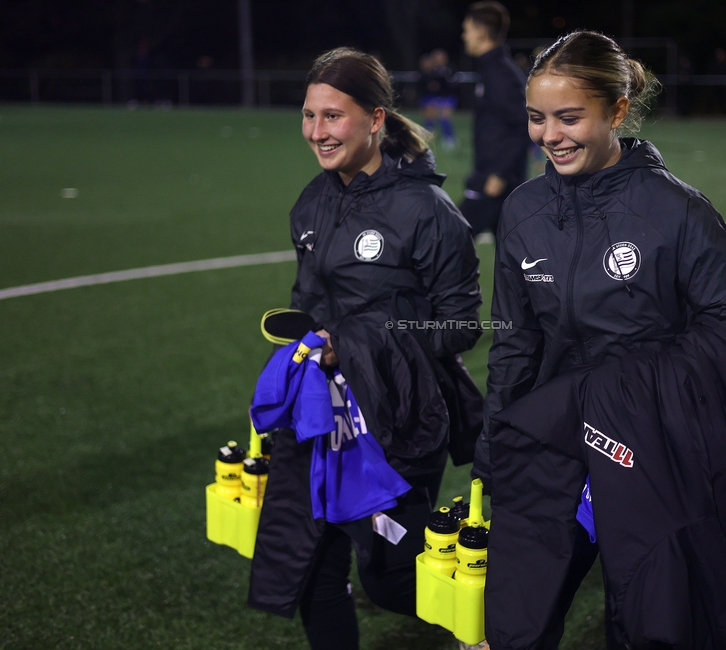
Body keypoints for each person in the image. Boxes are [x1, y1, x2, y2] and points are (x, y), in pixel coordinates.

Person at [474, 31, 726, 649]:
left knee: (652, 620)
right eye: (537, 119)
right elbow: (515, 340)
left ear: (615, 112)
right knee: (513, 620)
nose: (549, 135)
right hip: (553, 438)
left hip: (651, 447)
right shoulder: (523, 211)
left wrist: (628, 394)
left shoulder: (676, 211)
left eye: (569, 117)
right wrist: (495, 443)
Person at [246, 47, 483, 650]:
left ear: (376, 120)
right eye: (309, 116)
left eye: (333, 116)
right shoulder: (310, 204)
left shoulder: (428, 212)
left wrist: (358, 341)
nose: (317, 132)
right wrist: (303, 345)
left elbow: (460, 327)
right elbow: (311, 305)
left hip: (402, 415)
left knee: (390, 580)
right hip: (320, 418)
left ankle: (498, 616)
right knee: (310, 571)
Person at [460, 1, 529, 241]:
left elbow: (522, 125)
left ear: (480, 33)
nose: (464, 36)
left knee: (451, 240)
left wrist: (500, 173)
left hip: (495, 182)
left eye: (466, 30)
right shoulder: (491, 69)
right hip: (492, 178)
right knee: (515, 257)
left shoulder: (500, 74)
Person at [419, 48, 459, 148]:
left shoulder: (449, 70)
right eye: (436, 59)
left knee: (444, 114)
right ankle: (428, 136)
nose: (438, 61)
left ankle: (449, 137)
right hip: (432, 98)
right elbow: (424, 87)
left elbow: (452, 87)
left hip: (446, 97)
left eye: (440, 58)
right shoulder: (429, 71)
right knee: (429, 111)